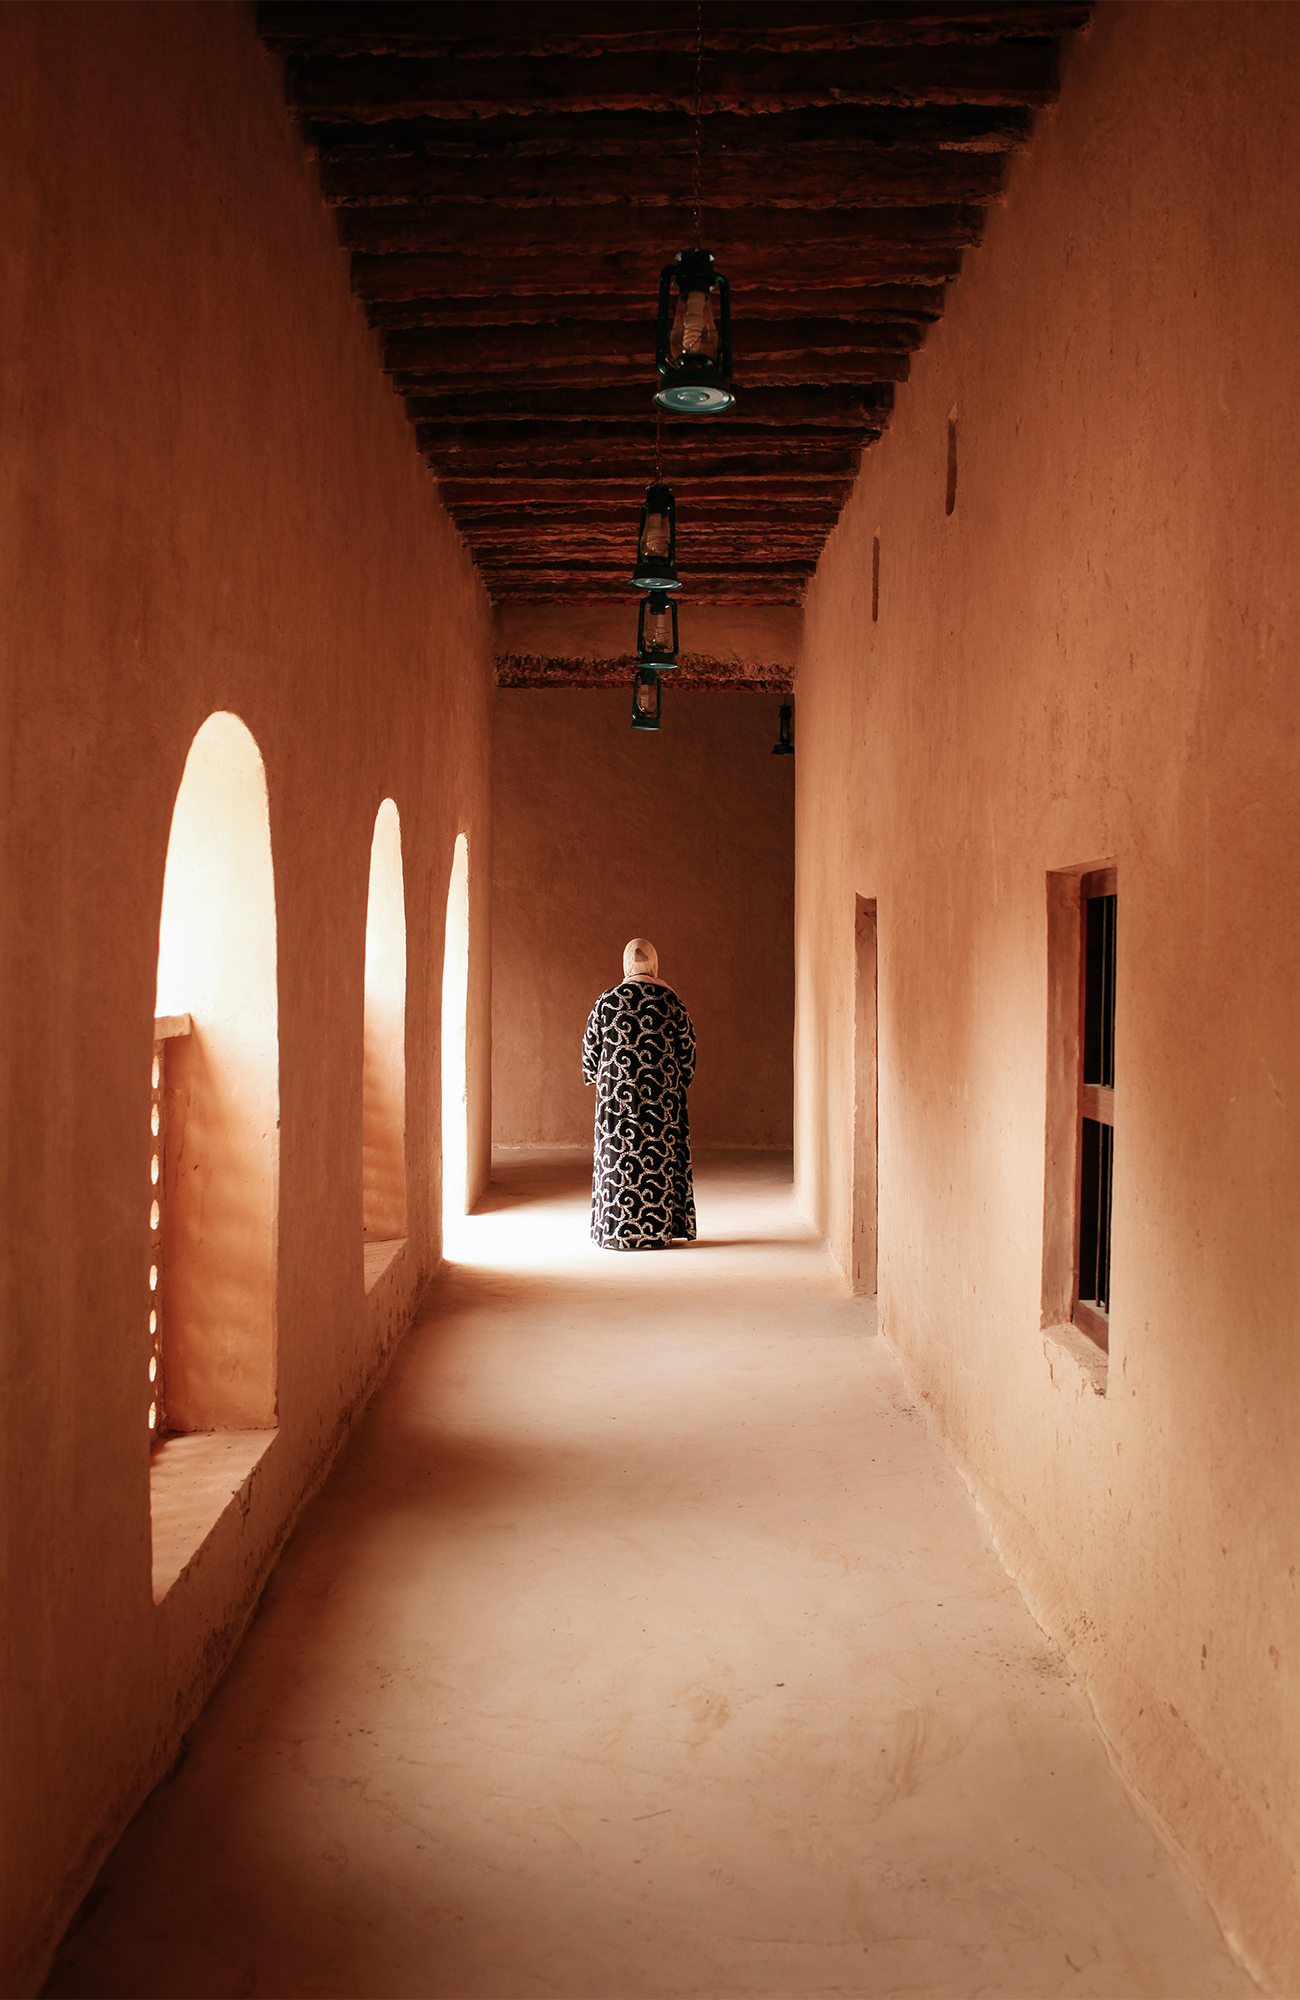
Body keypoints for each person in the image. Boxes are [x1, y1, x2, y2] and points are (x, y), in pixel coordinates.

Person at [582, 938, 697, 1251]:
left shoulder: (607, 1001)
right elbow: (687, 1050)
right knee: (659, 1159)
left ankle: (615, 1229)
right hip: (661, 1101)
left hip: (614, 1101)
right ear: (654, 963)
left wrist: (600, 1077)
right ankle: (657, 1230)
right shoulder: (670, 1000)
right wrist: (678, 1081)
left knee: (616, 1158)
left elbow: (590, 1053)